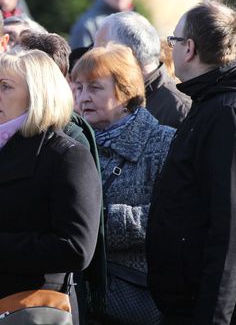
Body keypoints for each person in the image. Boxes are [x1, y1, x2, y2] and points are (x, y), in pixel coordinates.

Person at [146, 2, 236, 325]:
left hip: (231, 312)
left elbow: (233, 231)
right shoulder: (215, 101)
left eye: (174, 40)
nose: (170, 48)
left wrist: (213, 318)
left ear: (190, 48)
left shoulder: (234, 114)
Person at [0, 49, 101, 325]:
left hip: (36, 311)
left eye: (6, 86)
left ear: (37, 95)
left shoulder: (66, 155)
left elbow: (75, 248)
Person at [72, 44, 174, 324]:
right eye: (78, 88)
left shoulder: (163, 142)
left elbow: (173, 214)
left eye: (95, 88)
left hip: (138, 299)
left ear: (126, 90)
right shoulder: (70, 142)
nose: (83, 97)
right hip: (79, 298)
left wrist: (103, 223)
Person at [94, 11, 191, 128]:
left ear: (126, 54)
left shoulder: (179, 110)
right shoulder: (115, 97)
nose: (94, 61)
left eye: (100, 52)